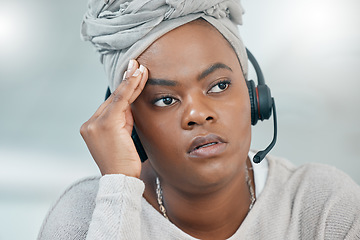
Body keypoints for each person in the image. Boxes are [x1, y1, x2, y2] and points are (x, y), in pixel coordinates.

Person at [38, 0, 360, 239]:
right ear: (129, 123)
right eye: (166, 99)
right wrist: (119, 193)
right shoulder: (83, 216)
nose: (197, 114)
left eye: (219, 85)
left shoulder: (322, 207)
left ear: (253, 98)